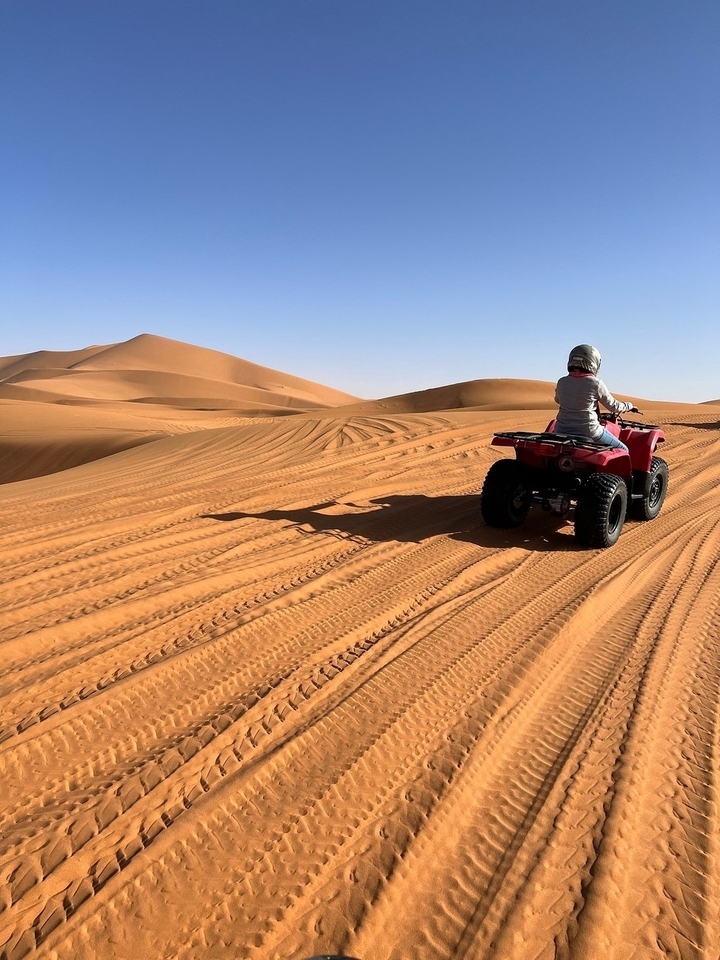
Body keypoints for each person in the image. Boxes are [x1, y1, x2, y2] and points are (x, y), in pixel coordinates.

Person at [553, 344, 637, 451]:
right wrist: (628, 406)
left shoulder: (562, 382)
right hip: (589, 432)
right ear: (594, 362)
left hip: (561, 430)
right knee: (624, 450)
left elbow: (558, 400)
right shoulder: (595, 383)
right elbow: (614, 407)